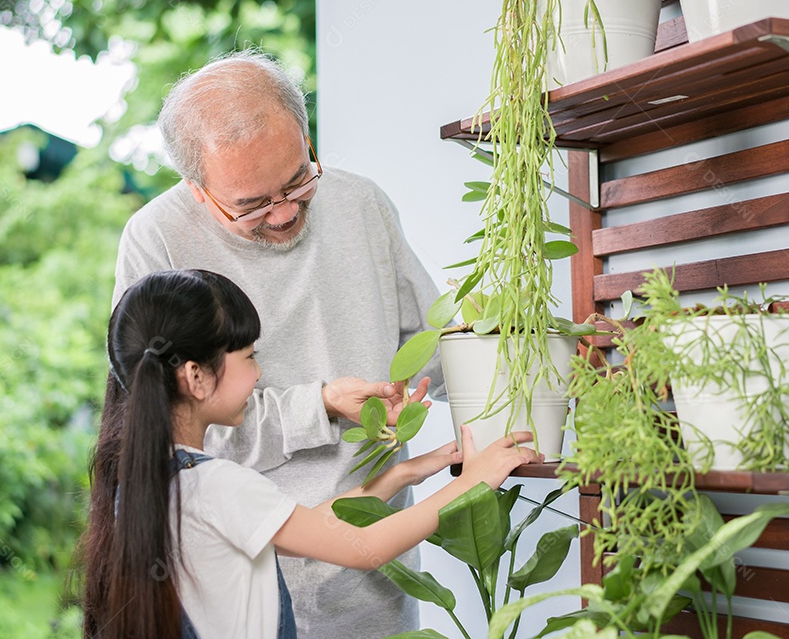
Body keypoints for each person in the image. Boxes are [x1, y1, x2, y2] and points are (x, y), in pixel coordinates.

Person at [111, 50, 444, 637]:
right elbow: (174, 421)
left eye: (298, 180)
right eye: (253, 204)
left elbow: (433, 350)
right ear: (198, 189)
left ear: (306, 134)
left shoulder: (362, 204)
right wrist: (316, 404)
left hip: (377, 579)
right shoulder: (155, 242)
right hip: (245, 589)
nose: (286, 212)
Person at [82, 270, 541, 639]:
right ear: (196, 377)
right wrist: (472, 482)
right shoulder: (219, 484)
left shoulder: (153, 482)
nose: (259, 374)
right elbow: (365, 550)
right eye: (249, 357)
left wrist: (403, 474)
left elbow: (313, 526)